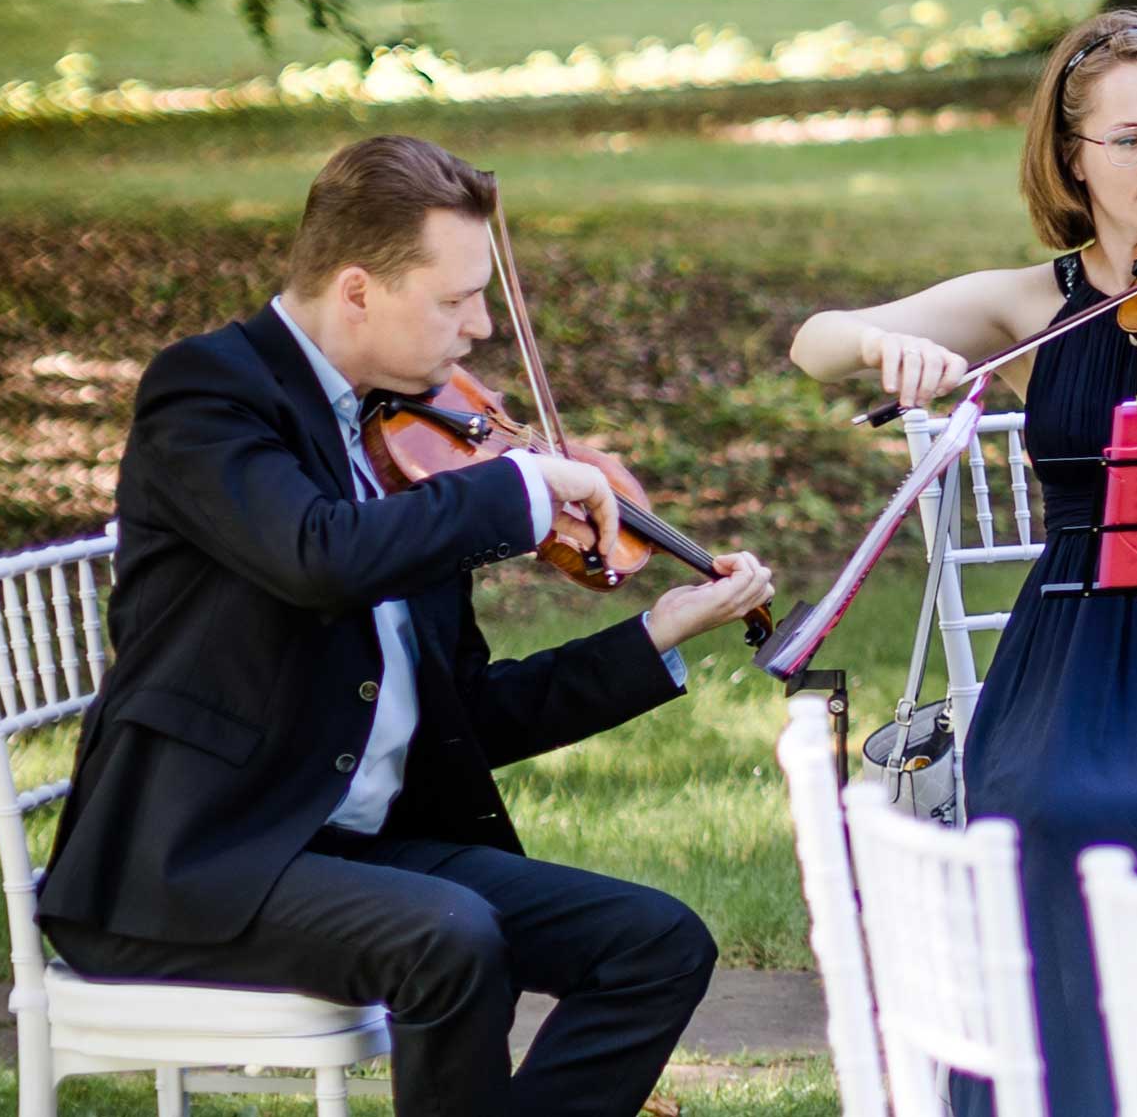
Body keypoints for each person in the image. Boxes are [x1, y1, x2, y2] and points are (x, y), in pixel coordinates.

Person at [38, 134, 776, 1117]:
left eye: (482, 295)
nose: (478, 328)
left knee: (655, 944)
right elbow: (317, 557)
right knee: (450, 935)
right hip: (193, 863)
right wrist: (516, 488)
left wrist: (654, 637)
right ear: (357, 291)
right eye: (453, 299)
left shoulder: (407, 451)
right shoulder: (209, 394)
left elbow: (464, 712)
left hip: (354, 851)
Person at [783, 9, 1137, 1111]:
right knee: (1039, 813)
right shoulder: (1031, 302)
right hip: (1068, 643)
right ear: (1069, 158)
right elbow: (815, 340)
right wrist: (876, 344)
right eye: (1131, 140)